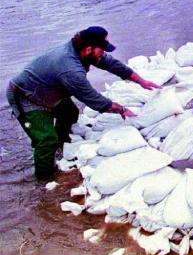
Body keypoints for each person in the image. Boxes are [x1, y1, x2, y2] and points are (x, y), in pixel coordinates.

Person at [6, 26, 160, 181]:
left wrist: (142, 82)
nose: (104, 53)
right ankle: (44, 181)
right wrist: (122, 110)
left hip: (48, 89)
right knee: (46, 139)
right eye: (103, 49)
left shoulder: (85, 52)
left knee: (70, 113)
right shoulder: (71, 69)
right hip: (26, 97)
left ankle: (62, 147)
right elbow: (94, 100)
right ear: (88, 49)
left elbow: (114, 65)